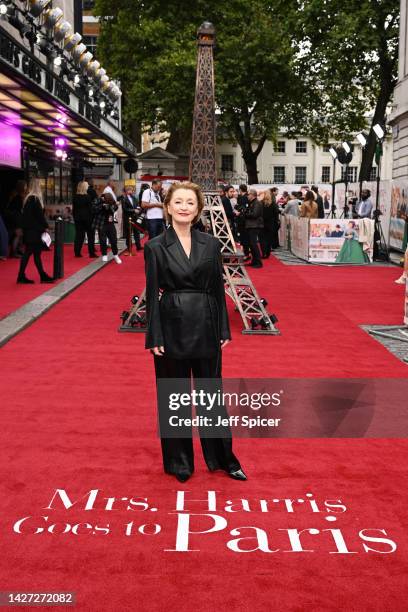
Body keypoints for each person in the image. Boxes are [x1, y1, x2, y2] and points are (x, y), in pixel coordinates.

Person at [144, 181, 246, 483]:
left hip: (206, 321)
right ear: (168, 207)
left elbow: (217, 288)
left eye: (190, 202)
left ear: (199, 208)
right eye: (178, 202)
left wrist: (224, 327)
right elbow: (151, 294)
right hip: (171, 322)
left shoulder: (211, 244)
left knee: (211, 396)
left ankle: (223, 459)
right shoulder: (155, 246)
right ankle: (180, 463)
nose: (184, 207)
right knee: (173, 396)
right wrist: (154, 336)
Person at [17, 178, 54, 284]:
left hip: (30, 230)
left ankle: (40, 275)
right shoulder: (35, 199)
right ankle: (23, 276)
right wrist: (46, 226)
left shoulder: (28, 199)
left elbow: (28, 217)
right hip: (34, 231)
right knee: (30, 253)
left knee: (33, 254)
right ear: (37, 187)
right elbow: (39, 217)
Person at [92, 192, 122, 264]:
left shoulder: (112, 202)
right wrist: (102, 205)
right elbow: (94, 209)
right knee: (103, 240)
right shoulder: (98, 200)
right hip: (101, 224)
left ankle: (115, 255)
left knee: (114, 240)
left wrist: (111, 206)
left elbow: (115, 208)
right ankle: (104, 254)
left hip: (110, 224)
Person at [72, 181, 97, 258]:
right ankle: (91, 253)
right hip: (88, 219)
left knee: (79, 236)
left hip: (78, 219)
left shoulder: (75, 197)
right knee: (90, 236)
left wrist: (75, 217)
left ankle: (77, 252)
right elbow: (90, 209)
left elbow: (74, 209)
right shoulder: (87, 197)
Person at [5, 180, 26, 258]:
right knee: (18, 235)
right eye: (25, 186)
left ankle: (16, 251)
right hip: (16, 217)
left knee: (18, 235)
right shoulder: (18, 197)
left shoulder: (14, 195)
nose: (26, 187)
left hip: (14, 217)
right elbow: (19, 208)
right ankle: (14, 253)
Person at [120, 186, 143, 253]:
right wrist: (134, 210)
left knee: (137, 232)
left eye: (132, 190)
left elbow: (137, 205)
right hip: (128, 218)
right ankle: (129, 247)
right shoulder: (124, 198)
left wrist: (139, 209)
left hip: (135, 217)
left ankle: (138, 246)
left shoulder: (134, 198)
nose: (131, 191)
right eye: (129, 190)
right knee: (128, 233)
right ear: (126, 191)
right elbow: (125, 209)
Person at [245, 188, 264, 268]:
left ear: (252, 195)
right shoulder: (253, 202)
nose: (247, 196)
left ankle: (258, 262)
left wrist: (246, 213)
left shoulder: (257, 203)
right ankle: (254, 261)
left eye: (248, 194)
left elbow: (255, 214)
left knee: (254, 244)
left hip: (255, 226)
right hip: (252, 225)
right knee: (251, 245)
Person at [260, 190, 280, 258]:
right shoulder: (273, 204)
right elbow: (276, 214)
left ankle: (264, 253)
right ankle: (267, 253)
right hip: (271, 223)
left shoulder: (261, 203)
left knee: (262, 239)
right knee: (269, 239)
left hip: (262, 223)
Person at [235, 184, 250, 260]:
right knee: (243, 238)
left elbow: (243, 208)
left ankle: (246, 253)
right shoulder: (245, 197)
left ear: (240, 189)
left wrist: (238, 209)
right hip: (243, 220)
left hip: (242, 220)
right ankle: (245, 252)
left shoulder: (243, 198)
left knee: (244, 238)